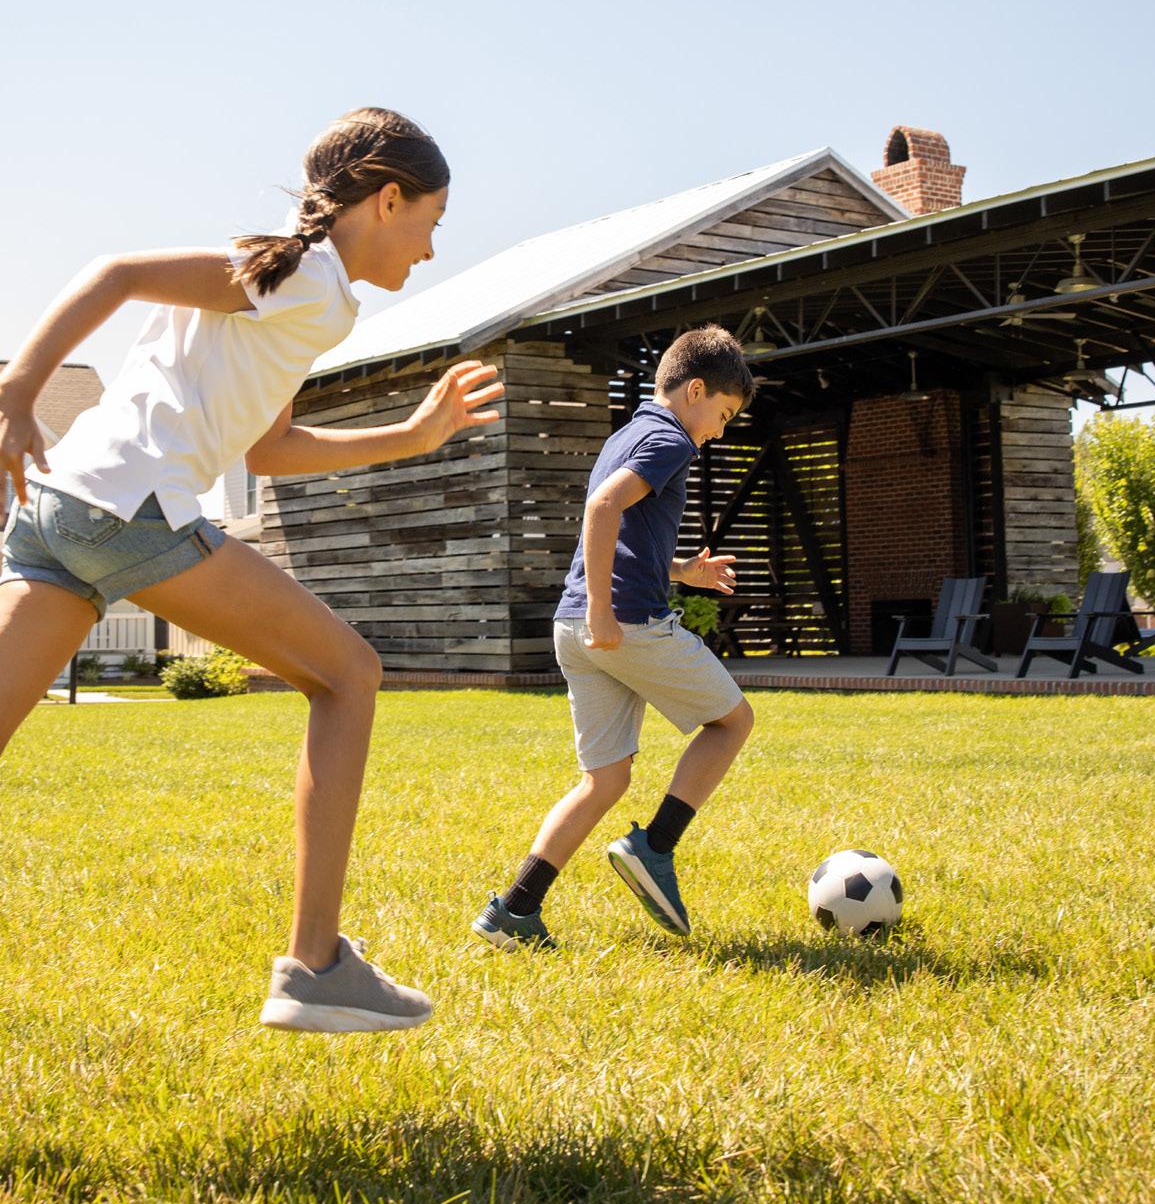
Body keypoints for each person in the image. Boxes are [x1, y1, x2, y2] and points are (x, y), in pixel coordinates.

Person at [0, 107, 502, 1032]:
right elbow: (114, 272)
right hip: (131, 511)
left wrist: (412, 435)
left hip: (59, 512)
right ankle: (314, 966)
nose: (431, 249)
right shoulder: (306, 276)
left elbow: (268, 448)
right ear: (389, 200)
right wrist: (19, 389)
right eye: (432, 222)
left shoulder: (299, 288)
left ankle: (318, 967)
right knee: (349, 674)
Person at [473, 325, 756, 950]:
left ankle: (514, 911)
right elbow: (602, 509)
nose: (719, 431)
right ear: (696, 390)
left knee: (603, 780)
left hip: (573, 626)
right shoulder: (670, 438)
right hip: (621, 622)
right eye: (724, 414)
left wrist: (681, 571)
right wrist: (605, 612)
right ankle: (655, 847)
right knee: (732, 722)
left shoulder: (626, 434)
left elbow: (623, 535)